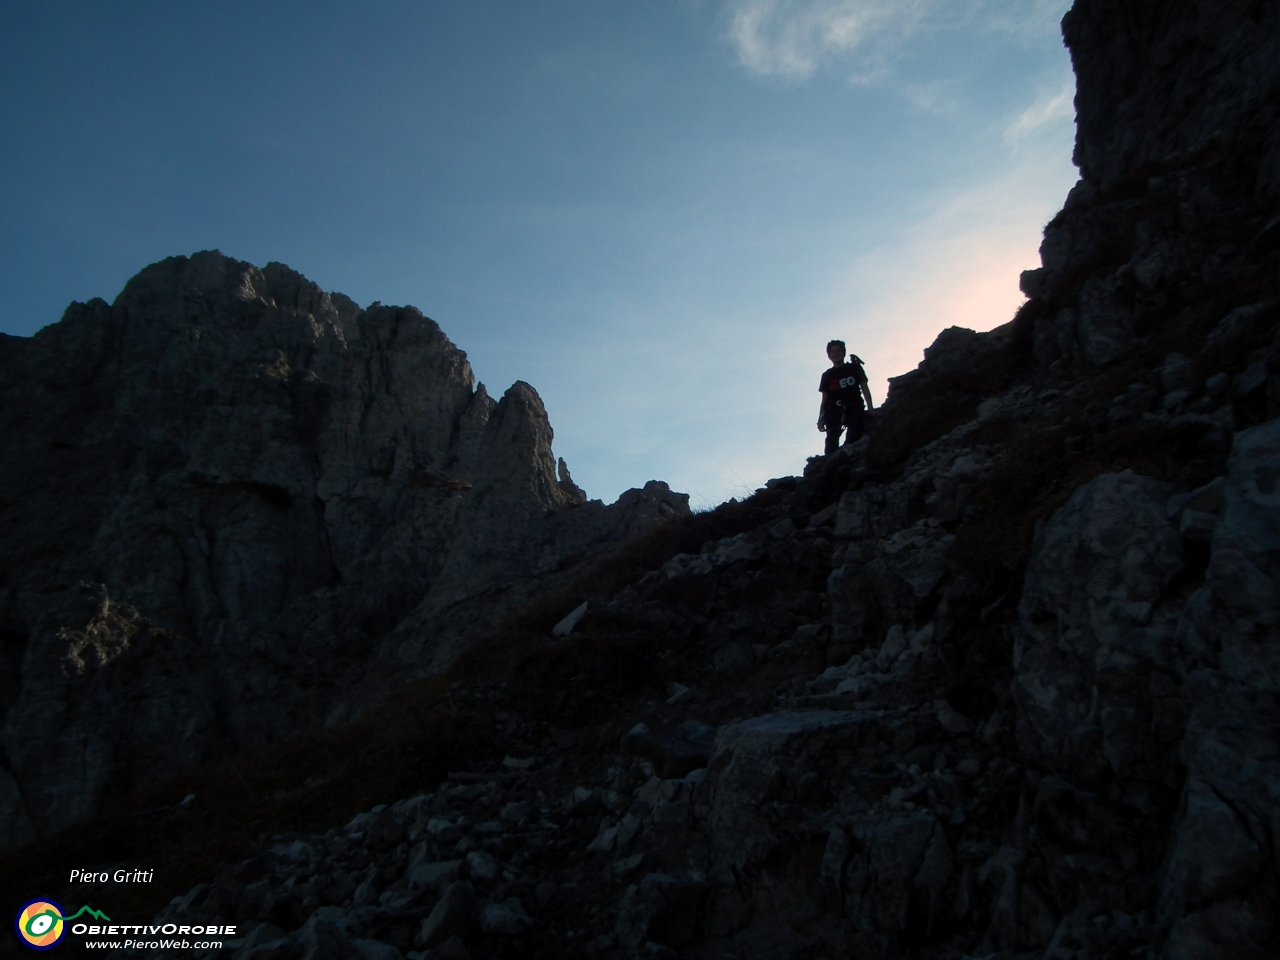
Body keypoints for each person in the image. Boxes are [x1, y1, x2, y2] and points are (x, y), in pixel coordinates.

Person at [817, 340, 874, 454]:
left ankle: (845, 454)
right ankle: (831, 462)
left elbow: (864, 388)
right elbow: (825, 399)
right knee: (831, 442)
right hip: (833, 409)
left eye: (839, 350)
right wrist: (820, 419)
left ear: (844, 353)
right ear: (829, 355)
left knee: (854, 431)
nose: (836, 353)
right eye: (833, 352)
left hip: (854, 405)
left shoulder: (854, 368)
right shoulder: (827, 375)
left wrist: (870, 408)